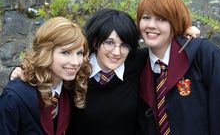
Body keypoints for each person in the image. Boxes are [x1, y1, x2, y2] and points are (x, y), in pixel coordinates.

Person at [9, 9, 200, 135]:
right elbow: (49, 64)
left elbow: (162, 46)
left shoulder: (138, 62)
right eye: (109, 42)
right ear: (95, 42)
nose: (116, 52)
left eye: (124, 45)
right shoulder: (75, 69)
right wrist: (19, 70)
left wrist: (183, 33)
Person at [136, 0, 220, 135]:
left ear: (175, 22)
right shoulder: (138, 65)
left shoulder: (205, 55)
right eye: (146, 17)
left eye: (162, 19)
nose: (151, 25)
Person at [0, 17, 91, 135]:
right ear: (46, 52)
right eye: (65, 52)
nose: (75, 62)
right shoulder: (14, 96)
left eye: (79, 53)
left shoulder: (69, 89)